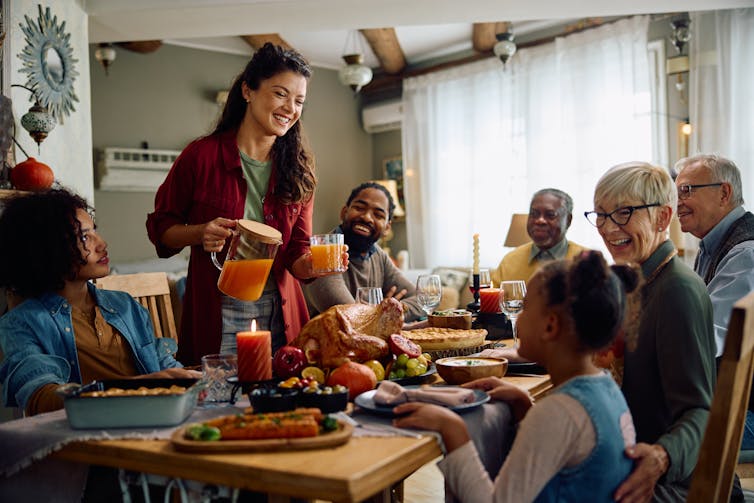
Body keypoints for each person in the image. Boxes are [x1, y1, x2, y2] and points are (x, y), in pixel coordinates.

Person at [147, 43, 340, 365]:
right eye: (281, 94)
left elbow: (297, 250)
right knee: (222, 401)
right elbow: (161, 229)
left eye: (299, 101)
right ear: (248, 90)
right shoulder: (201, 156)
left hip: (283, 309)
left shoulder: (300, 169)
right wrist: (199, 232)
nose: (290, 108)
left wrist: (314, 266)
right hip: (219, 308)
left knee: (287, 400)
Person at [394, 251, 639, 502]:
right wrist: (525, 407)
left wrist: (453, 429)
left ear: (550, 326)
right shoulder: (607, 387)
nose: (518, 316)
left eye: (525, 307)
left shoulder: (558, 412)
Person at [0, 188, 196, 416]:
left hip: (153, 418)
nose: (102, 244)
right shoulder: (22, 323)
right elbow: (39, 396)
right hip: (87, 438)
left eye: (95, 231)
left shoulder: (125, 305)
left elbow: (165, 367)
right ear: (45, 249)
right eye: (84, 237)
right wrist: (138, 387)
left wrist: (202, 377)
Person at [587, 162, 716, 501]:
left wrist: (660, 458)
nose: (608, 227)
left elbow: (700, 412)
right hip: (628, 455)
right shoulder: (634, 279)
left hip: (670, 481)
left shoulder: (676, 290)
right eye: (600, 214)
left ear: (662, 218)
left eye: (623, 212)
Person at [675, 154, 754, 451]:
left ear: (724, 193)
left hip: (747, 412)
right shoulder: (712, 244)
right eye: (677, 192)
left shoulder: (745, 253)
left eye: (687, 190)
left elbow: (707, 339)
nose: (677, 202)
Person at [304, 181, 425, 322]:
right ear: (344, 212)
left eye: (378, 215)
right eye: (359, 208)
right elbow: (350, 317)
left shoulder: (379, 255)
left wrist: (390, 309)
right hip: (324, 342)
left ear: (387, 228)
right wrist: (381, 312)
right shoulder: (324, 251)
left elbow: (423, 300)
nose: (367, 217)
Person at [491, 188, 586, 285]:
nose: (540, 220)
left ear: (568, 220)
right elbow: (493, 298)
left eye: (550, 215)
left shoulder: (585, 261)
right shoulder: (510, 260)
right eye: (534, 214)